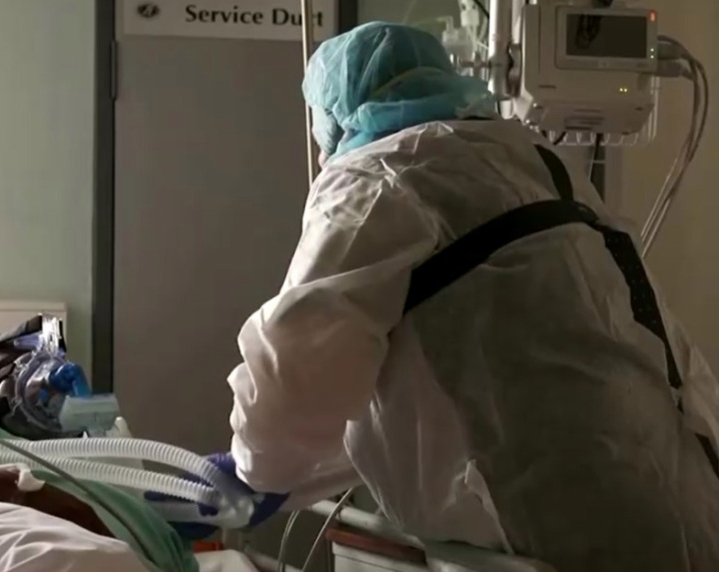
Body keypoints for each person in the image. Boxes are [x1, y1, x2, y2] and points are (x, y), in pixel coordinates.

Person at [165, 22, 719, 571]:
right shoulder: (538, 161)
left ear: (337, 116)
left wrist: (253, 471)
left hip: (557, 530)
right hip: (681, 494)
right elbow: (450, 390)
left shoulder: (376, 179)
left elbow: (297, 374)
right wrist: (279, 477)